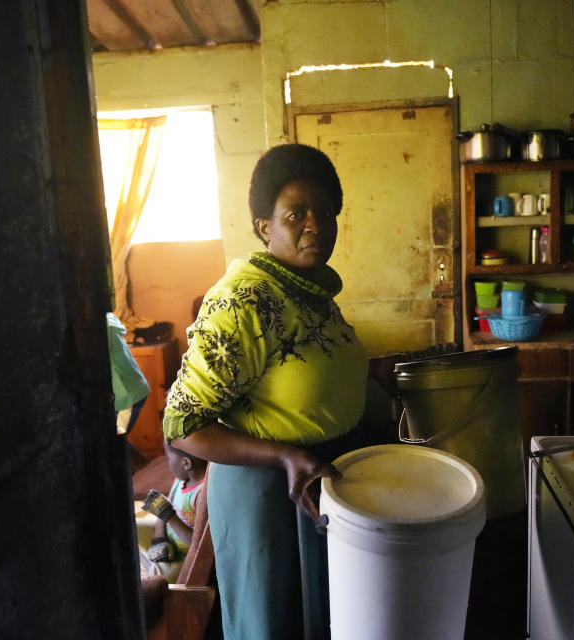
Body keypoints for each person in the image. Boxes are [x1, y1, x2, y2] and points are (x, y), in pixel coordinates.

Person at [163, 143, 382, 640]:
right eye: (296, 214)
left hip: (316, 481)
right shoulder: (244, 299)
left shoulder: (310, 290)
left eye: (326, 211)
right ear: (265, 226)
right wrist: (284, 456)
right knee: (275, 621)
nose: (316, 224)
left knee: (322, 618)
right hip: (268, 494)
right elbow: (182, 426)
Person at [137, 442, 208, 582]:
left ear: (186, 463)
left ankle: (150, 566)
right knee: (132, 527)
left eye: (169, 459)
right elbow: (164, 514)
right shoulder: (181, 480)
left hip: (186, 557)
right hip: (169, 539)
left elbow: (199, 545)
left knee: (159, 579)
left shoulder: (202, 494)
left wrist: (170, 517)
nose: (168, 464)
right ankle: (151, 561)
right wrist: (159, 538)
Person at [106, 311, 151, 472]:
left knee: (115, 440)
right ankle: (144, 468)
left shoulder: (103, 327)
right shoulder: (108, 321)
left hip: (127, 395)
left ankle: (143, 471)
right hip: (129, 391)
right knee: (116, 440)